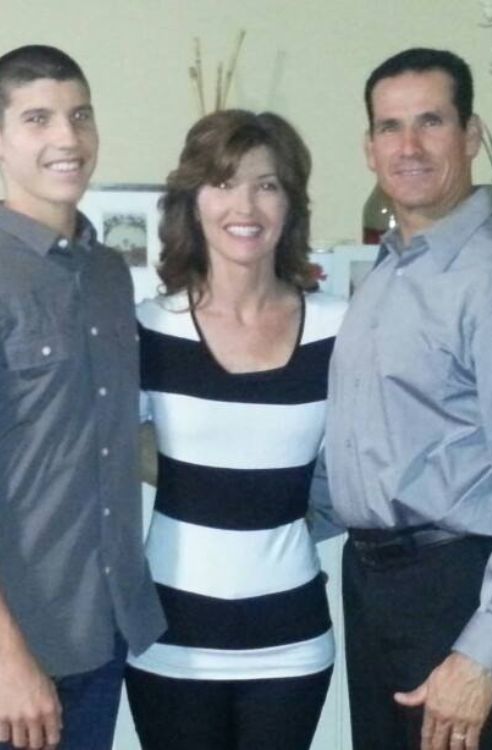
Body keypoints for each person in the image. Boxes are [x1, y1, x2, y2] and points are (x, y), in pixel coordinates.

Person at [125, 109, 346, 750]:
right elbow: (100, 458)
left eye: (266, 184)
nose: (244, 204)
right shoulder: (148, 326)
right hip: (170, 641)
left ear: (290, 204)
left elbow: (368, 463)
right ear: (193, 201)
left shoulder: (342, 327)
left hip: (291, 645)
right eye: (223, 183)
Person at [322, 47, 492, 750]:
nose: (409, 146)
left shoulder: (487, 281)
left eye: (430, 121)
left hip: (459, 590)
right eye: (390, 127)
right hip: (372, 588)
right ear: (369, 149)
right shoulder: (387, 273)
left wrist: (482, 653)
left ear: (472, 134)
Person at [0, 45, 165, 750]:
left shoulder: (108, 274)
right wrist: (7, 659)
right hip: (17, 653)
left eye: (80, 115)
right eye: (37, 118)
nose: (67, 137)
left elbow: (108, 439)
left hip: (102, 636)